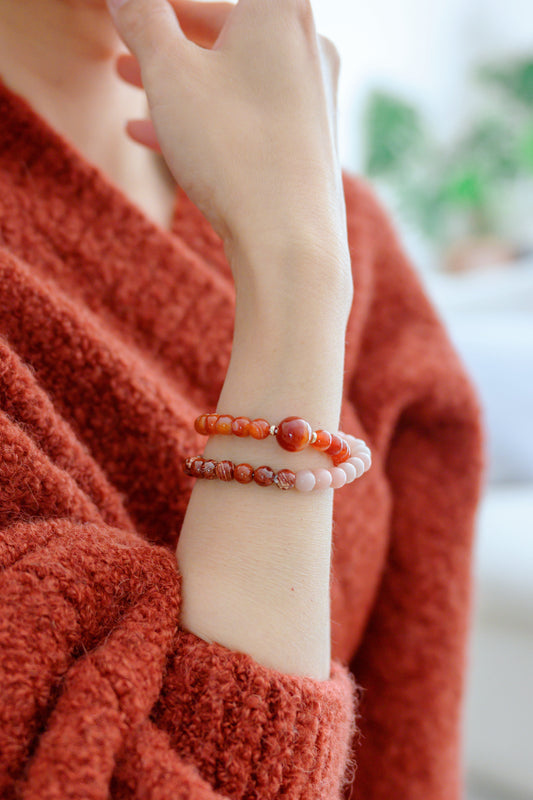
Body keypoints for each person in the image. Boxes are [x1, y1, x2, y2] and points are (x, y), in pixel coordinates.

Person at [0, 0, 484, 798]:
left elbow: (411, 745)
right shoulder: (311, 236)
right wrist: (292, 272)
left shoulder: (343, 223)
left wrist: (305, 232)